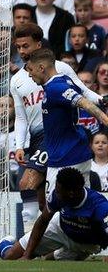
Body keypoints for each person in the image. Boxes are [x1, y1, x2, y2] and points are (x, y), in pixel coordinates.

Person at [10, 23, 103, 233]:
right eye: (19, 47)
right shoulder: (16, 80)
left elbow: (82, 92)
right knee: (45, 202)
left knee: (26, 183)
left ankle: (27, 240)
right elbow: (21, 117)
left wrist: (102, 101)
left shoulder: (60, 68)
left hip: (56, 134)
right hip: (37, 140)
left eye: (26, 46)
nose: (23, 52)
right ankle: (49, 245)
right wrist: (19, 146)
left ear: (38, 44)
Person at [24, 48, 108, 201]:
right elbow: (84, 93)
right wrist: (103, 100)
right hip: (79, 152)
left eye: (30, 70)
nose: (29, 74)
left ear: (41, 68)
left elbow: (83, 102)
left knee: (55, 207)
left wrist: (105, 118)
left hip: (64, 158)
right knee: (81, 203)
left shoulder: (56, 88)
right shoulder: (65, 79)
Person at [0, 168, 108, 261]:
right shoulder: (58, 195)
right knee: (11, 257)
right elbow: (42, 222)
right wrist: (26, 255)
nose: (55, 193)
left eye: (59, 191)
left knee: (52, 261)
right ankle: (2, 243)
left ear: (71, 193)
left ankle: (57, 254)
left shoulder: (99, 205)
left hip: (87, 244)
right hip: (59, 229)